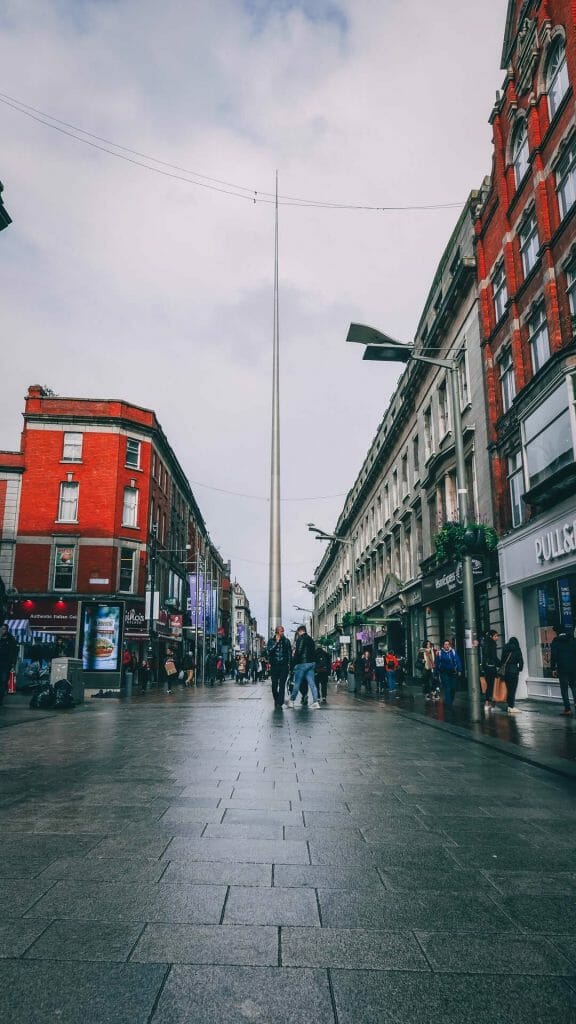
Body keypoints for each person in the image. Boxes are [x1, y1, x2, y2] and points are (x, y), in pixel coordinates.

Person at [286, 625, 320, 709]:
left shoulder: (300, 639)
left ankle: (292, 701)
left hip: (302, 664)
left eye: (298, 632)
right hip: (311, 664)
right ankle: (316, 702)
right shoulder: (311, 639)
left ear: (300, 631)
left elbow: (299, 652)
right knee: (312, 684)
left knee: (297, 683)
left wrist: (294, 663)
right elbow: (313, 652)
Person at [267, 625, 292, 709]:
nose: (282, 633)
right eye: (281, 631)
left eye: (283, 631)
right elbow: (269, 651)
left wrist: (289, 664)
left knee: (282, 685)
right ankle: (276, 698)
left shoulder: (286, 641)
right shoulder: (271, 641)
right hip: (274, 666)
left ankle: (280, 703)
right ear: (277, 632)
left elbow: (289, 653)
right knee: (274, 685)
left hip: (284, 666)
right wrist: (276, 643)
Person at [499, 635, 524, 714]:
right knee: (512, 690)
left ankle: (509, 705)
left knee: (508, 688)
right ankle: (511, 706)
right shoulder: (517, 649)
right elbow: (521, 662)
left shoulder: (505, 649)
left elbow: (502, 661)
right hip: (514, 671)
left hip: (506, 671)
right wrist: (519, 669)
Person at [433, 640, 462, 707]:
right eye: (445, 644)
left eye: (448, 644)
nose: (447, 646)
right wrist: (435, 673)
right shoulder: (440, 653)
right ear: (443, 645)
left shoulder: (453, 652)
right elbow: (436, 663)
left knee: (453, 688)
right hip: (444, 673)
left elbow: (458, 661)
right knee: (447, 687)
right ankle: (448, 704)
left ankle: (450, 700)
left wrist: (459, 670)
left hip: (453, 672)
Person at [480, 629, 500, 710]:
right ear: (491, 636)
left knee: (489, 685)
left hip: (486, 667)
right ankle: (491, 704)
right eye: (495, 636)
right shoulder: (492, 644)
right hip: (491, 667)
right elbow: (494, 657)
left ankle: (487, 703)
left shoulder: (485, 644)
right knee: (492, 685)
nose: (497, 638)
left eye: (497, 636)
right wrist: (500, 664)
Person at [0, 624, 18, 704]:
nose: (2, 630)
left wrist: (13, 663)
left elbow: (14, 652)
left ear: (7, 630)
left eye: (3, 629)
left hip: (6, 664)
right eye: (1, 629)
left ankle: (0, 699)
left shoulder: (11, 639)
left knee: (3, 681)